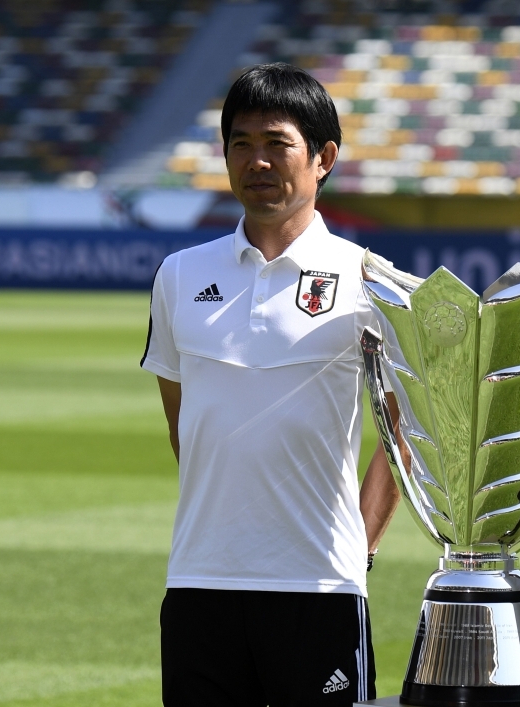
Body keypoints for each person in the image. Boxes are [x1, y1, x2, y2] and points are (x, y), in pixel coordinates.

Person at [141, 63, 400, 706]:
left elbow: (408, 430)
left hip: (320, 589)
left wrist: (359, 545)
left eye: (277, 143)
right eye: (241, 144)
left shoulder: (370, 278)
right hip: (200, 582)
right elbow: (185, 422)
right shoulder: (178, 275)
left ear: (323, 157)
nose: (257, 161)